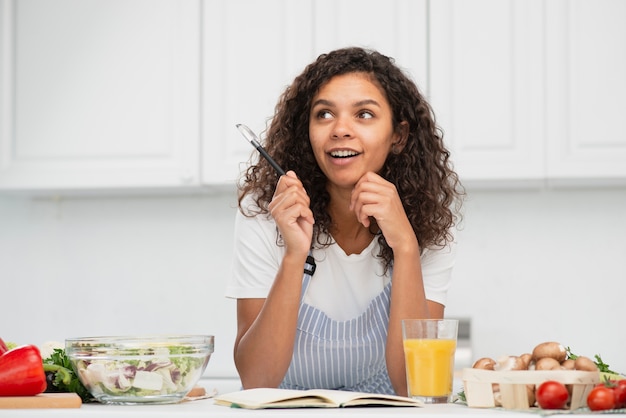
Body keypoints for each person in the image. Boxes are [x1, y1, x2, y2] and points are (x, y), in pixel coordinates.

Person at [226, 47, 464, 397]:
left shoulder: (428, 223)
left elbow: (414, 386)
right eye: (324, 114)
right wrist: (294, 254)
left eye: (364, 114)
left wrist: (406, 247)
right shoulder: (266, 210)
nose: (340, 130)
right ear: (306, 131)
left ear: (398, 136)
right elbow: (256, 380)